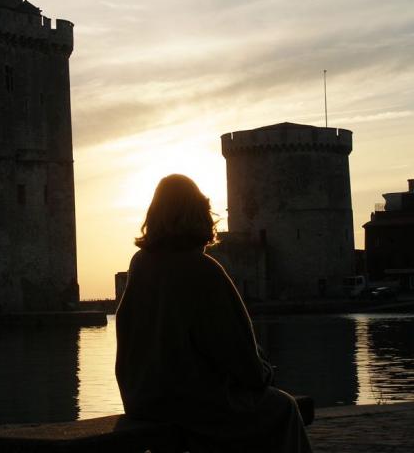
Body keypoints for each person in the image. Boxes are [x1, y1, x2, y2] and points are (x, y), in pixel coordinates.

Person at [115, 174, 312, 453]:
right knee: (284, 408)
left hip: (141, 400)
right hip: (192, 405)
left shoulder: (140, 265)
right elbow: (241, 357)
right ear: (201, 214)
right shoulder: (203, 270)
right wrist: (265, 371)